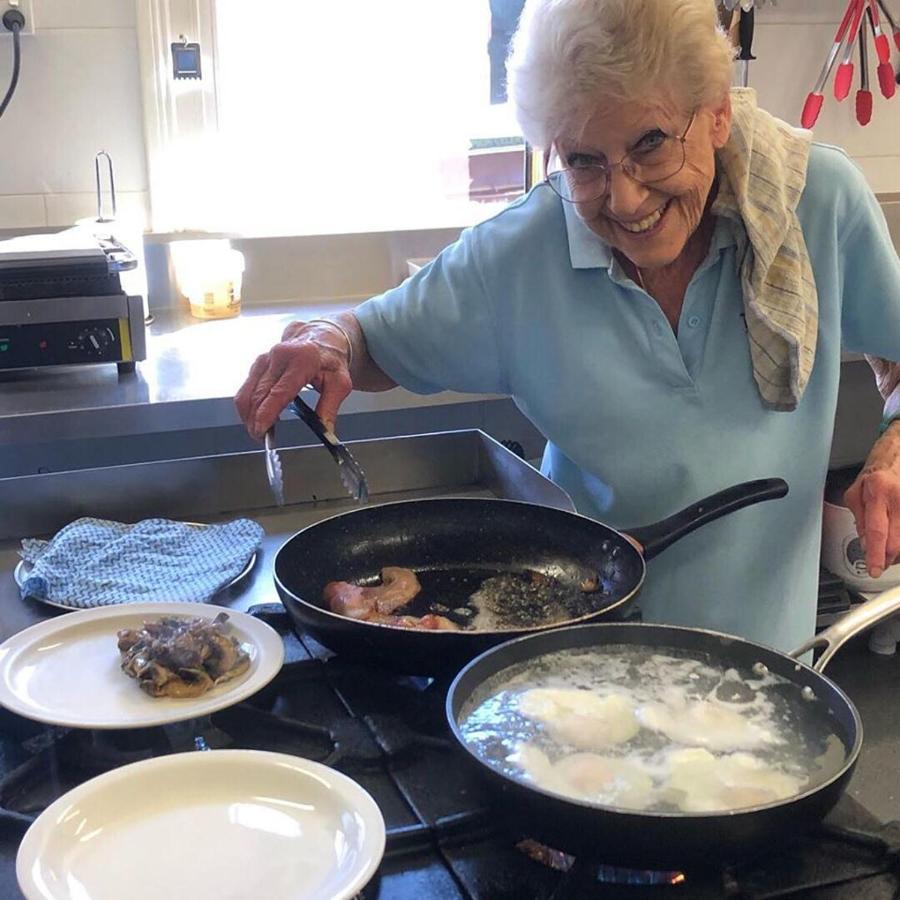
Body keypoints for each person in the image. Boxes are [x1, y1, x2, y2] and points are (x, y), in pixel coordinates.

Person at [236, 0, 900, 653]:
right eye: (584, 160)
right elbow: (370, 341)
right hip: (577, 673)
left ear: (718, 110)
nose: (626, 198)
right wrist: (328, 342)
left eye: (650, 144)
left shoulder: (818, 203)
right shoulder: (520, 256)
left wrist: (891, 452)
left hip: (763, 666)